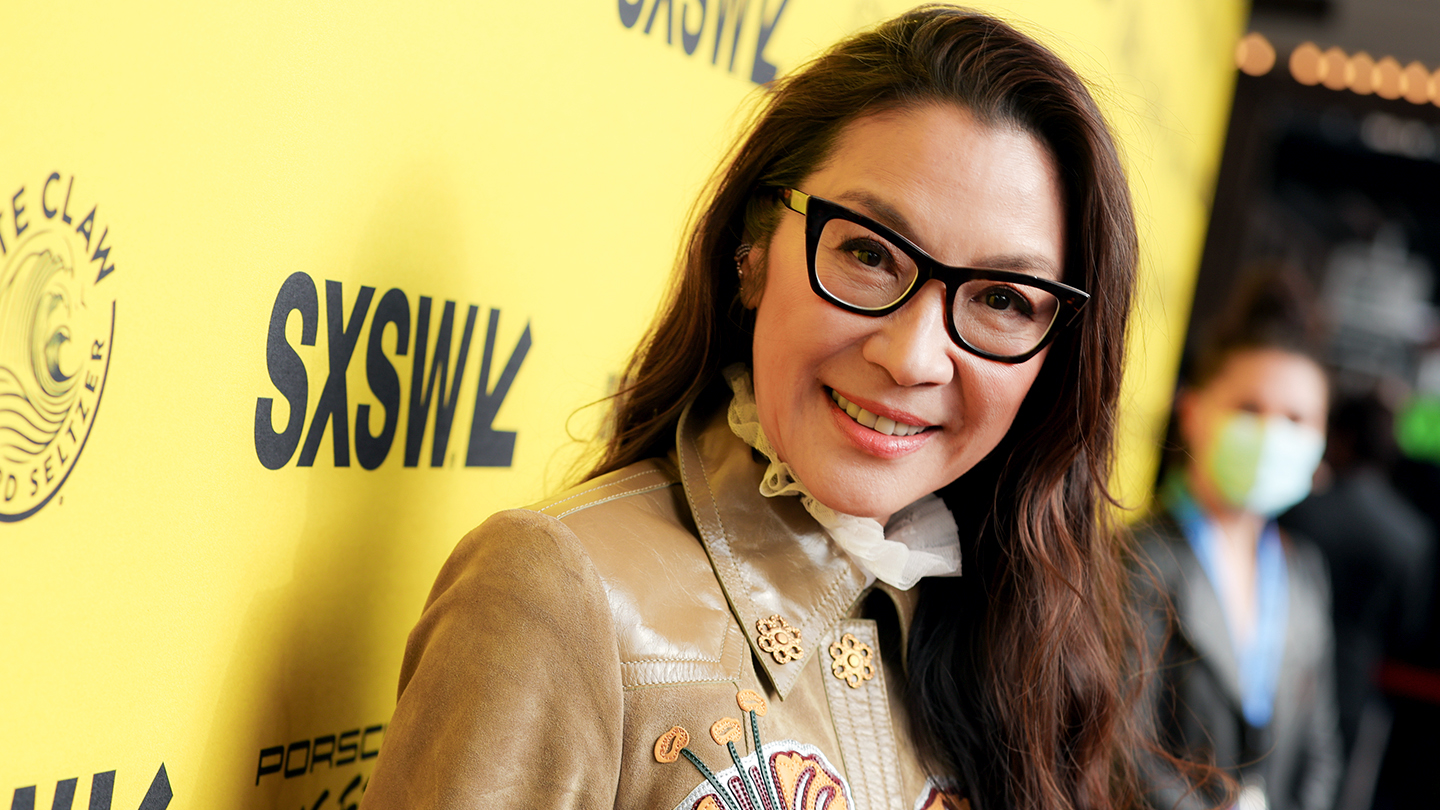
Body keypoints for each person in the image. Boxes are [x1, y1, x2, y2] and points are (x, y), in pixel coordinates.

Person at [363, 7, 1165, 809]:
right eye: (867, 253)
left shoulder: (1019, 638)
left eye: (1001, 297)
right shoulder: (558, 593)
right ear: (753, 253)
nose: (914, 356)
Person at [1134, 269, 1343, 810]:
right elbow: (1120, 749)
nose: (1274, 435)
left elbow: (1320, 751)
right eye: (1250, 408)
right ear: (1194, 412)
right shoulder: (1136, 558)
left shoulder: (1304, 572)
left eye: (1298, 418)